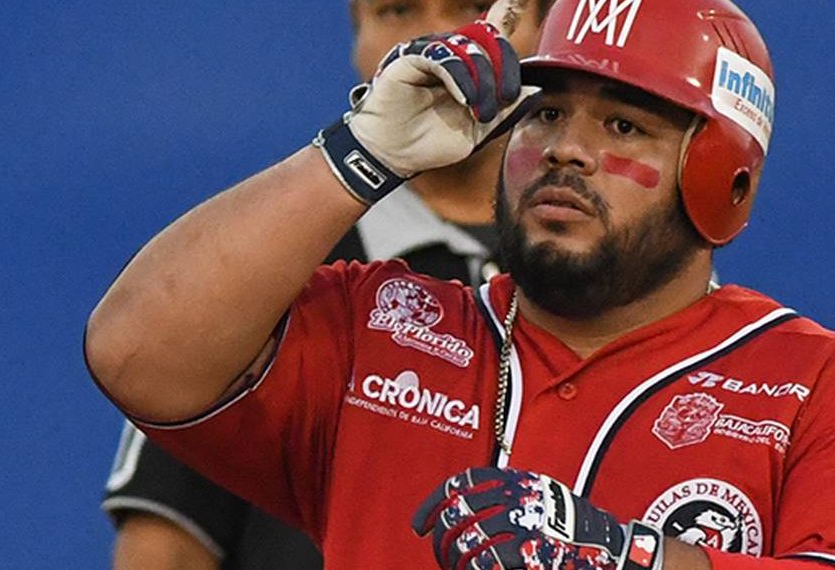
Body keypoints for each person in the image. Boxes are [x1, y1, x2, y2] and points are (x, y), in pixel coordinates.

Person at [86, 0, 835, 568]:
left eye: (623, 123)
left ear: (724, 179)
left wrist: (637, 562)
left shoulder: (833, 391)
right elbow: (135, 353)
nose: (566, 149)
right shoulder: (379, 322)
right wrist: (356, 155)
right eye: (543, 113)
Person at [101, 1, 552, 568]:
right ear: (358, 45)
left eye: (470, 7)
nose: (444, 39)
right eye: (397, 11)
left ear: (548, 28)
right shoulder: (270, 277)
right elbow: (164, 545)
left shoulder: (618, 279)